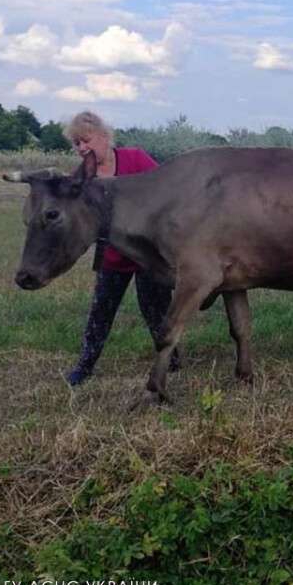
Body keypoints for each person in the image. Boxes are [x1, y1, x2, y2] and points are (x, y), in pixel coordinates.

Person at [62, 111, 177, 386]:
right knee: (101, 311)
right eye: (76, 143)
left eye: (86, 140)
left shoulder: (134, 158)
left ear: (104, 136)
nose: (81, 148)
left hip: (149, 253)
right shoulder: (81, 177)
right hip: (113, 256)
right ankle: (85, 366)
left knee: (156, 309)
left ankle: (171, 359)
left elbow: (164, 187)